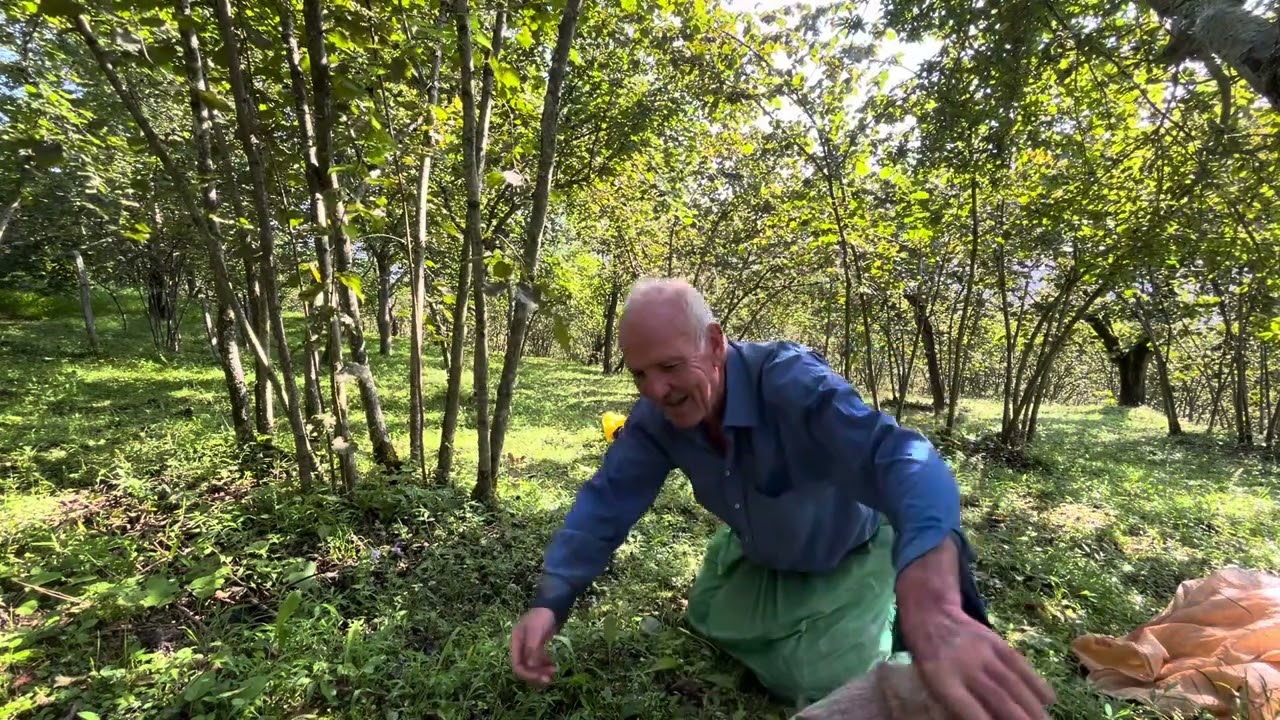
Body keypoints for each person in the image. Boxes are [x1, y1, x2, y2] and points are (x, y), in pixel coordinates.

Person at [509, 278, 1055, 719]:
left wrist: (931, 591)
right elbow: (607, 501)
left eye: (671, 367)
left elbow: (904, 458)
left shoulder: (791, 383)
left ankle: (892, 609)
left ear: (715, 343)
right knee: (707, 618)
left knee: (817, 675)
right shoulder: (658, 418)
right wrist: (550, 601)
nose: (655, 390)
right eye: (639, 374)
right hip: (764, 550)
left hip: (849, 549)